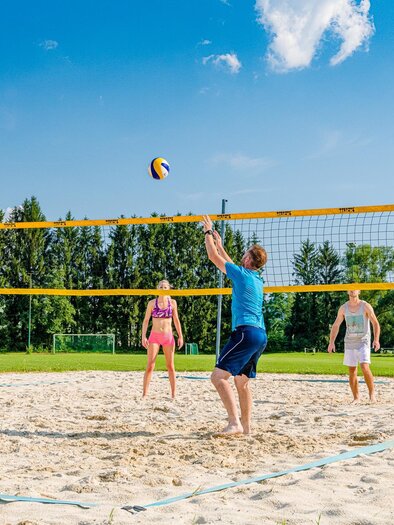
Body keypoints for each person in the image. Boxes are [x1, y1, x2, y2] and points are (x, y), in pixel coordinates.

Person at [202, 215, 268, 435]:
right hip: (260, 335)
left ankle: (234, 423)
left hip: (245, 333)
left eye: (245, 253)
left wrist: (207, 232)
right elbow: (232, 266)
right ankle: (247, 427)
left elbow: (212, 257)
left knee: (218, 377)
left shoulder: (242, 274)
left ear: (248, 260)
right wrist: (221, 245)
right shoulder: (257, 279)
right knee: (242, 382)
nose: (243, 255)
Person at [327, 289, 380, 403]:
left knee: (365, 367)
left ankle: (372, 395)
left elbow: (375, 323)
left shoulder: (365, 306)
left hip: (363, 341)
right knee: (352, 370)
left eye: (355, 287)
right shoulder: (343, 308)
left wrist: (376, 340)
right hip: (350, 342)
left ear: (359, 291)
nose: (352, 290)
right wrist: (331, 342)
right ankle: (356, 398)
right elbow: (336, 325)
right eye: (350, 287)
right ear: (347, 291)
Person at [141, 279, 183, 399]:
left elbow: (176, 320)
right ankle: (144, 394)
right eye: (160, 286)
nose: (163, 289)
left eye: (165, 287)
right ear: (157, 289)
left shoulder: (172, 302)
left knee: (170, 366)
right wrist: (143, 336)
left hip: (168, 337)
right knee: (150, 365)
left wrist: (180, 336)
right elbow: (145, 321)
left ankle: (173, 394)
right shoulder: (152, 303)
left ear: (169, 289)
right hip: (154, 336)